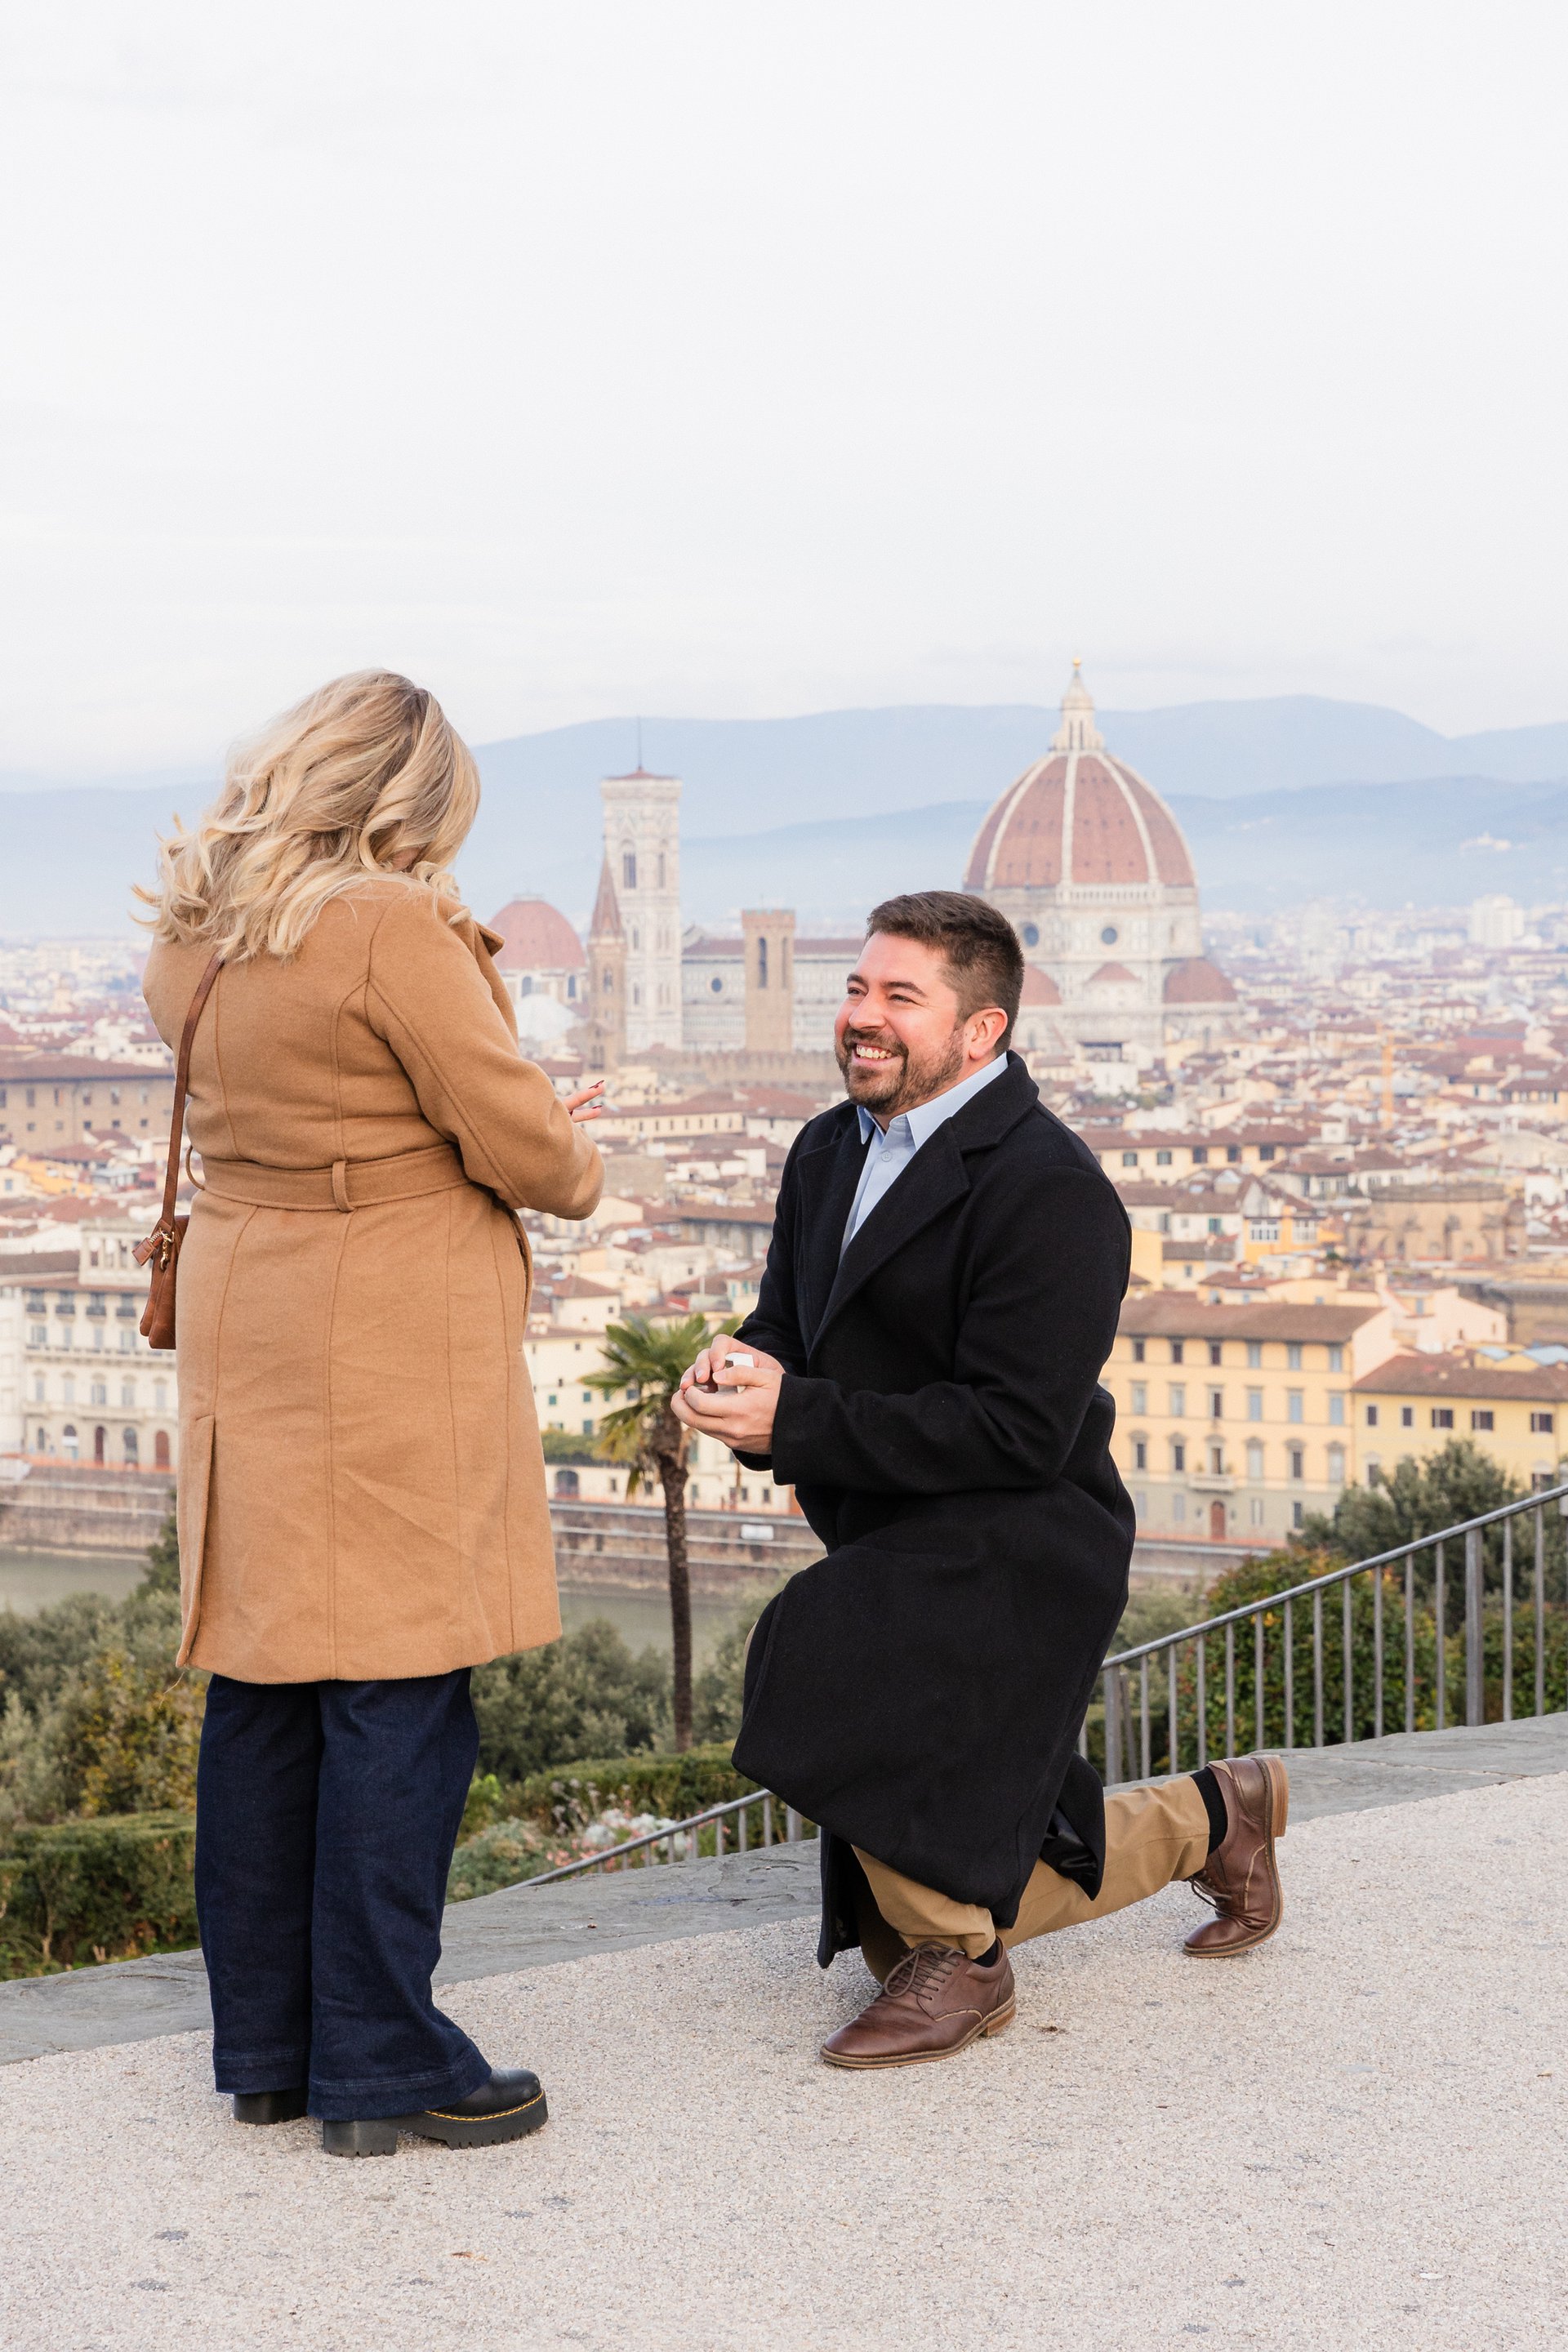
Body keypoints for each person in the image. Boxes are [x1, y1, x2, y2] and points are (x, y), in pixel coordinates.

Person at [675, 890, 1287, 2069]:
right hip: (895, 1517)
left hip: (1022, 1532)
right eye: (858, 988)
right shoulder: (825, 1150)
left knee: (820, 1651)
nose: (863, 1016)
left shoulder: (1051, 1192)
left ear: (982, 1031)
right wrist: (741, 1379)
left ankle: (967, 1960)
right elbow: (790, 1323)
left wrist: (797, 1416)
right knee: (949, 1849)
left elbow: (1017, 1428)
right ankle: (1219, 1817)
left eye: (900, 997)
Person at [140, 670, 604, 2153]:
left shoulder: (195, 928)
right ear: (405, 801)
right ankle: (384, 2060)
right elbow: (532, 1151)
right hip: (388, 1325)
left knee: (267, 1688)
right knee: (400, 1689)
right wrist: (559, 1138)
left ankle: (269, 2049)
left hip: (248, 1309)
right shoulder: (389, 928)